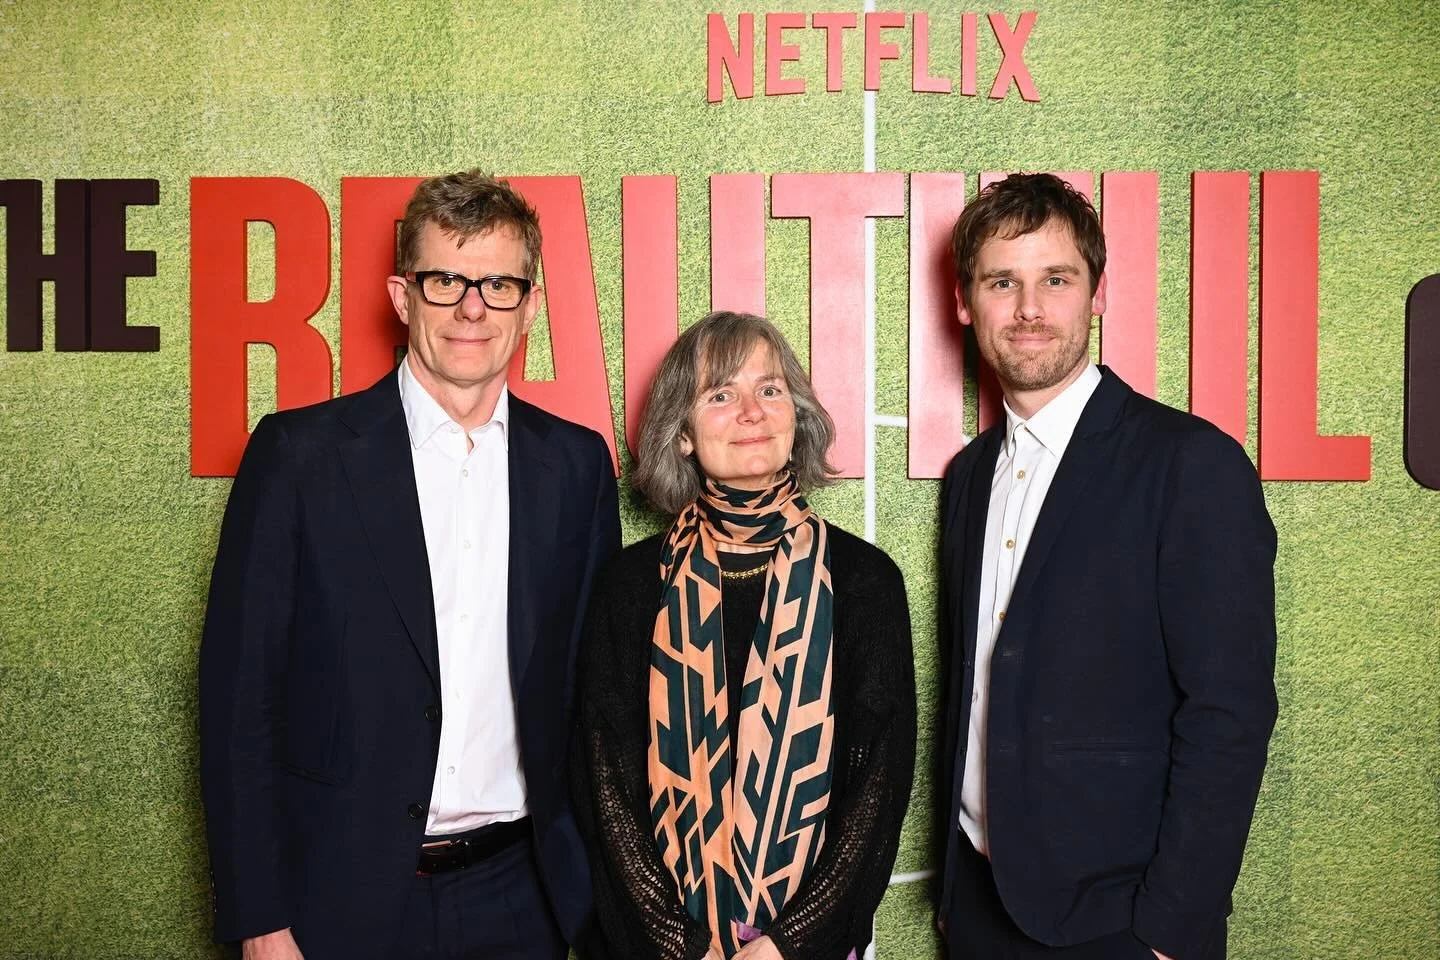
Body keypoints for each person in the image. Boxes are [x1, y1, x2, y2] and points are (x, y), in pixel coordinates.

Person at [199, 170, 620, 960]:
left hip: (523, 895)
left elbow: (592, 697)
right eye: (445, 280)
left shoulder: (575, 468)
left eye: (498, 283)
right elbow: (239, 706)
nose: (471, 307)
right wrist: (260, 920)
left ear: (531, 304)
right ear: (402, 296)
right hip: (335, 899)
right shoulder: (299, 459)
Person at [935, 173, 1278, 960]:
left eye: (1055, 279)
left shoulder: (1189, 464)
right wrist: (956, 898)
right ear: (965, 302)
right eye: (1002, 282)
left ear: (1096, 293)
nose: (1029, 309)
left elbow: (1229, 710)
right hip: (982, 909)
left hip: (1121, 922)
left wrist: (1172, 927)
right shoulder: (969, 476)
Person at [572, 311, 915, 960]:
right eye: (721, 394)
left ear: (798, 417)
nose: (752, 411)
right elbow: (604, 779)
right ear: (681, 436)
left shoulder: (867, 582)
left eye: (771, 389)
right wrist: (684, 944)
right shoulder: (629, 585)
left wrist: (786, 945)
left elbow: (879, 785)